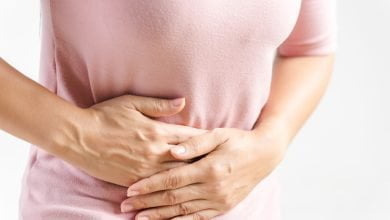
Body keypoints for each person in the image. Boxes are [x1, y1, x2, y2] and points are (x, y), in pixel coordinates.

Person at [0, 0, 337, 219]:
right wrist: (78, 135)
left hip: (247, 206)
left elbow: (310, 48)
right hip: (93, 206)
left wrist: (271, 141)